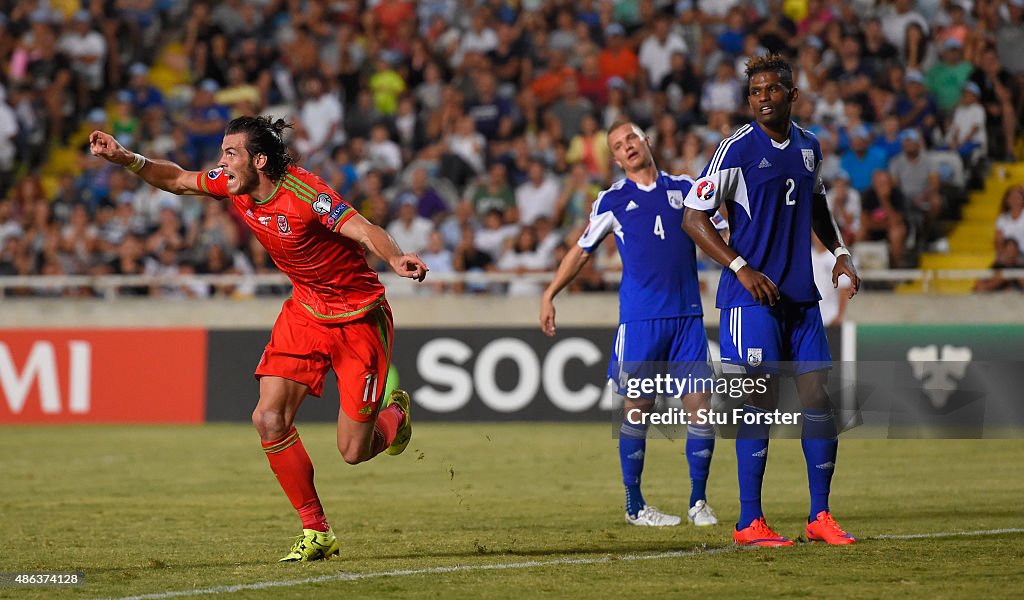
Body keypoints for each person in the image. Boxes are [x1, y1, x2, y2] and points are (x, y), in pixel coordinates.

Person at [88, 116, 427, 562]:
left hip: (358, 317)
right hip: (305, 311)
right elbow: (176, 179)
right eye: (222, 153)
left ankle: (394, 418)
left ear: (259, 160)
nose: (221, 163)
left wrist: (397, 257)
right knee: (268, 418)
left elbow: (363, 229)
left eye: (231, 153)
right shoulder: (233, 185)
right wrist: (126, 158)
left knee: (352, 451)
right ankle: (317, 530)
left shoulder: (306, 195)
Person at [682, 54, 861, 547]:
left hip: (801, 298)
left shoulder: (808, 146)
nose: (763, 97)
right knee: (756, 407)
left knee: (818, 402)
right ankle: (748, 522)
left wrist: (841, 252)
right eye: (756, 91)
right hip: (750, 300)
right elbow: (693, 218)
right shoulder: (734, 149)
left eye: (772, 90)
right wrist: (741, 267)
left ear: (792, 95)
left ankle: (819, 516)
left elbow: (817, 205)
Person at [541, 120, 720, 528]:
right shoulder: (612, 201)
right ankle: (635, 505)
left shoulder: (684, 188)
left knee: (701, 408)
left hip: (687, 318)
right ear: (617, 159)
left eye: (631, 139)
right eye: (618, 146)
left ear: (647, 140)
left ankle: (698, 501)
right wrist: (550, 293)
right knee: (637, 409)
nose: (627, 148)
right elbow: (581, 252)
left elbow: (720, 234)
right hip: (641, 322)